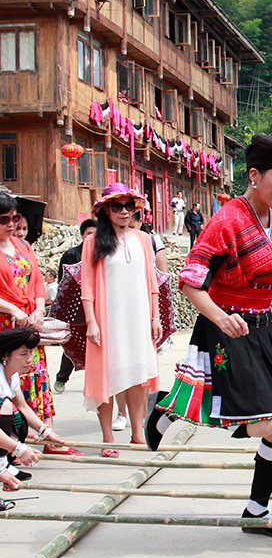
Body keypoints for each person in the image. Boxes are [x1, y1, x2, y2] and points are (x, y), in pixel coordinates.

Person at [146, 134, 272, 539]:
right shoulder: (226, 221)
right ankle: (168, 410)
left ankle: (256, 511)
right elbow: (191, 282)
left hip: (262, 330)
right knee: (266, 421)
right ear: (254, 175)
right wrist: (221, 317)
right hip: (225, 328)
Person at [81, 183, 161, 455]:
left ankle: (137, 433)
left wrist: (155, 316)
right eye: (118, 206)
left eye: (129, 205)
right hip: (108, 318)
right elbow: (87, 285)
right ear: (106, 210)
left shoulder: (143, 239)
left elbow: (152, 282)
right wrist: (91, 321)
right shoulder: (93, 242)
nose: (125, 211)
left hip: (138, 316)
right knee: (107, 374)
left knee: (139, 375)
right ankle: (107, 437)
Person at [0, 192, 75, 456]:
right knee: (7, 384)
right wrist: (12, 309)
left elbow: (37, 283)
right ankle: (10, 446)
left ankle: (48, 435)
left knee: (36, 376)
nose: (12, 224)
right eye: (4, 219)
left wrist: (40, 309)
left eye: (15, 218)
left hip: (30, 323)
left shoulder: (23, 246)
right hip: (5, 326)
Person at [0, 327, 75, 484]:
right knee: (5, 407)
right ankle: (2, 465)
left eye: (31, 352)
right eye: (23, 354)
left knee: (17, 416)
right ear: (5, 355)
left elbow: (23, 406)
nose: (30, 359)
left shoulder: (12, 374)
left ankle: (3, 464)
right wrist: (20, 449)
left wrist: (46, 432)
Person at [53, 218, 97, 394]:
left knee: (97, 344)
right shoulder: (71, 255)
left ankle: (94, 382)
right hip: (76, 306)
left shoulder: (102, 255)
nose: (93, 237)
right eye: (89, 234)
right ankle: (62, 377)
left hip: (97, 306)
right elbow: (63, 282)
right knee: (73, 342)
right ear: (82, 235)